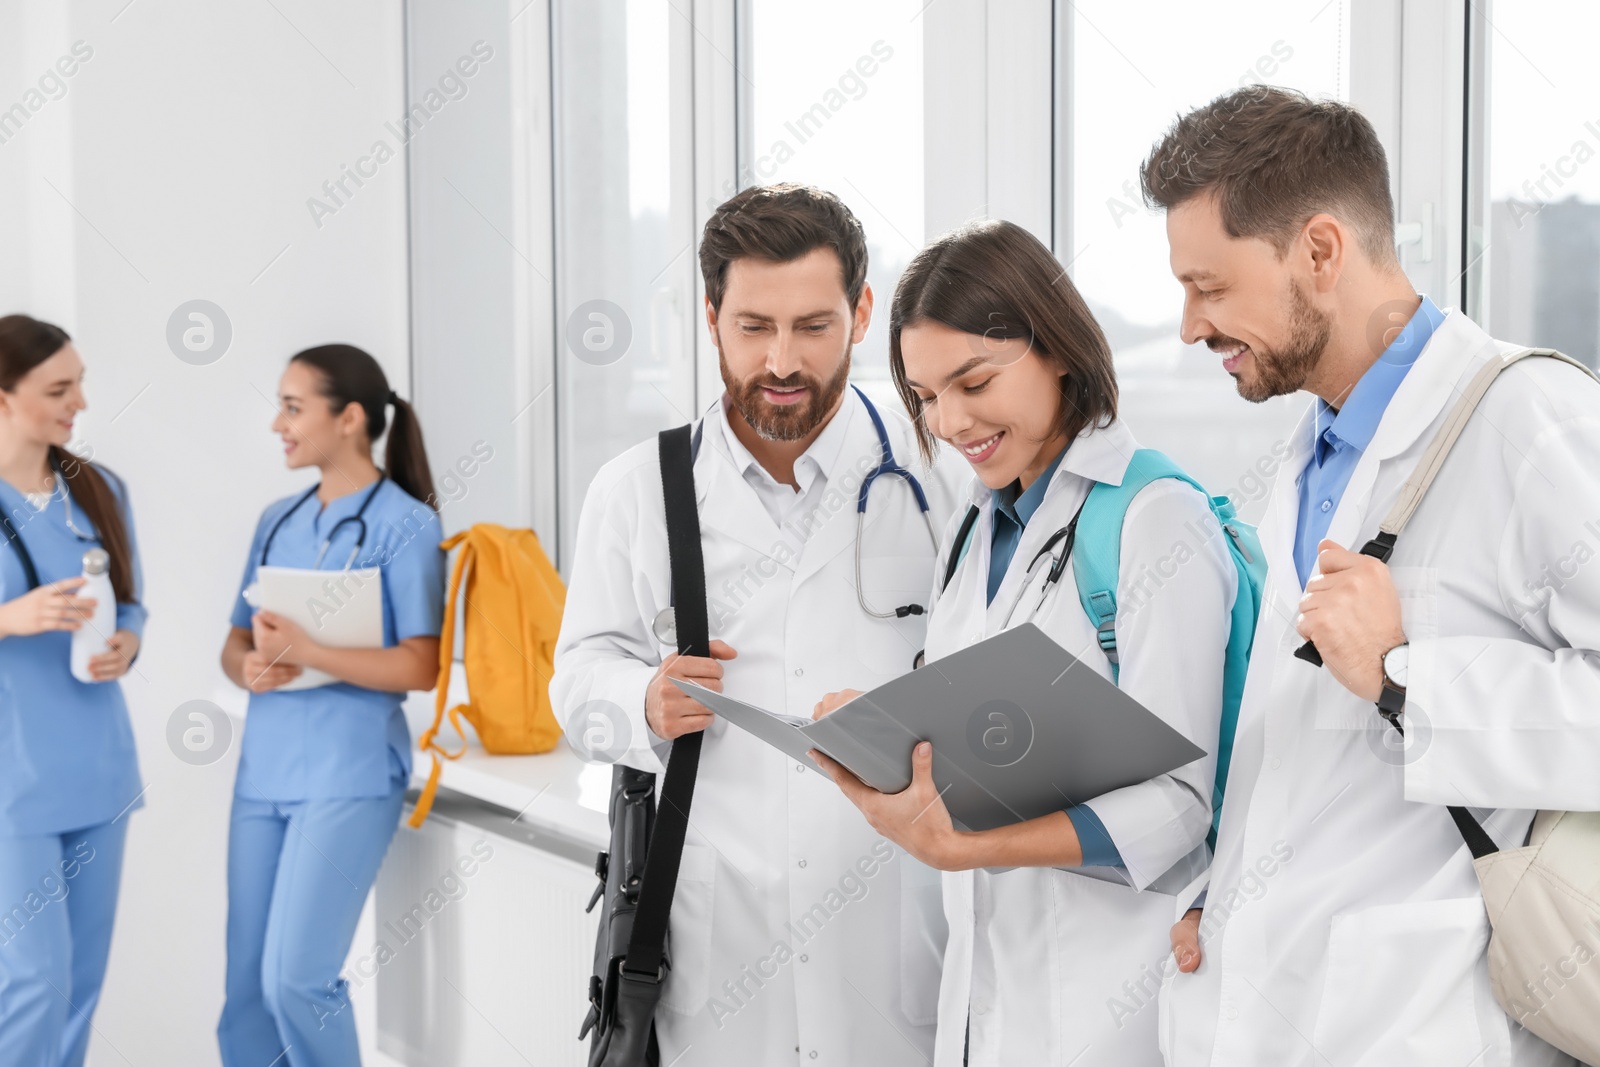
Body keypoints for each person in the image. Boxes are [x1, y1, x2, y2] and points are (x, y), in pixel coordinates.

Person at [1146, 86, 1600, 1066]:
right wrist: (1218, 894)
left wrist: (1404, 669)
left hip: (1426, 1015)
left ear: (1319, 250)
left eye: (1210, 286)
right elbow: (1308, 755)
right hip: (1272, 1004)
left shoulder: (1531, 419)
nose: (1189, 326)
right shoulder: (1316, 451)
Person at [551, 183, 969, 1064]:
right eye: (753, 327)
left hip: (892, 936)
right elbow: (576, 681)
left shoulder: (942, 477)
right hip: (717, 950)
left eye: (814, 326)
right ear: (711, 319)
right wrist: (643, 700)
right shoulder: (636, 491)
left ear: (861, 312)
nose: (782, 361)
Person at [810, 219, 1238, 1066]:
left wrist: (973, 846)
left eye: (974, 381)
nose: (953, 421)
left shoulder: (1154, 518)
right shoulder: (975, 525)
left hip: (1108, 1008)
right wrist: (892, 737)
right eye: (927, 397)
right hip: (983, 1010)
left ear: (1058, 351)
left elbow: (1181, 805)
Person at [216, 345, 445, 1067]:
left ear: (350, 418)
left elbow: (421, 663)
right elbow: (230, 642)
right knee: (248, 993)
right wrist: (249, 664)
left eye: (293, 406)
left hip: (347, 776)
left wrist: (310, 651)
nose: (278, 424)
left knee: (298, 981)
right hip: (265, 774)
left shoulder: (406, 523)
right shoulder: (276, 519)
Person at [0, 314, 145, 1067]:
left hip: (99, 772)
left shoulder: (99, 490)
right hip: (12, 784)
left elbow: (134, 601)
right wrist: (10, 618)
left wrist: (129, 641)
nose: (79, 401)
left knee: (81, 982)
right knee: (33, 980)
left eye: (80, 381)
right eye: (59, 388)